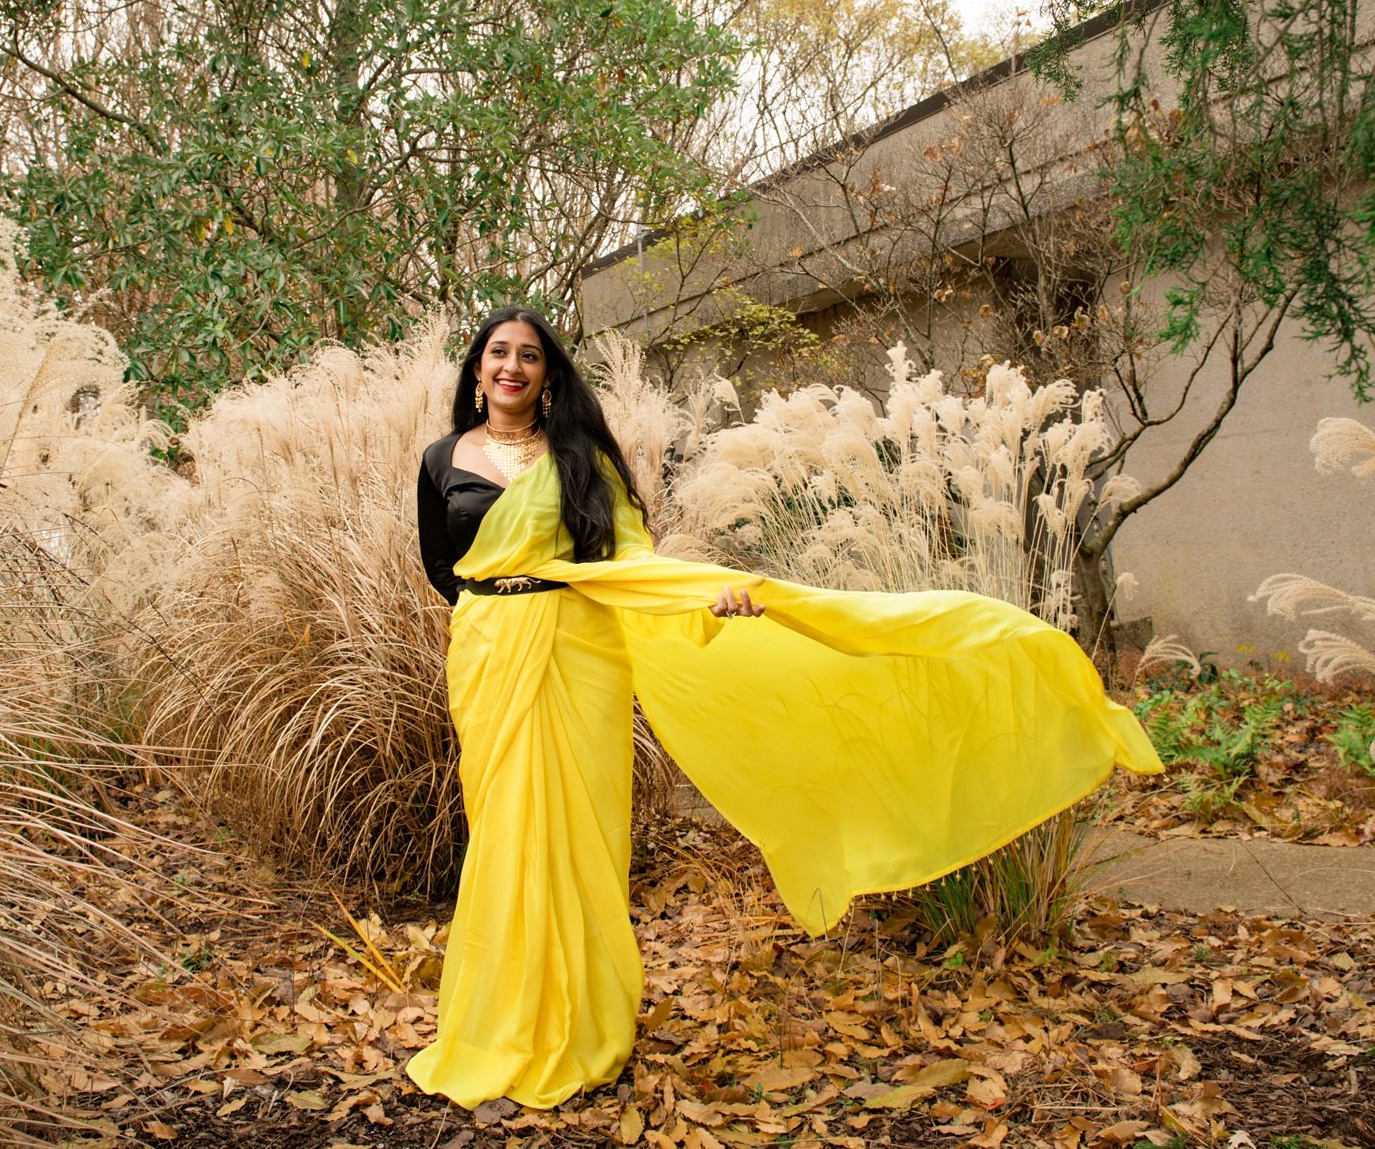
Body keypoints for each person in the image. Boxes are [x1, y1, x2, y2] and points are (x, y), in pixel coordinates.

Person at [407, 306, 1161, 1111]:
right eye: (499, 353)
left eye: (529, 355)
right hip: (489, 654)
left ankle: (584, 1019)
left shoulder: (581, 458)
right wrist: (505, 607)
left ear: (549, 374)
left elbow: (633, 562)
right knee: (505, 827)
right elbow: (441, 569)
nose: (512, 367)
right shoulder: (441, 459)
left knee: (582, 834)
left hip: (581, 657)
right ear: (477, 368)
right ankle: (499, 1019)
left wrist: (709, 600)